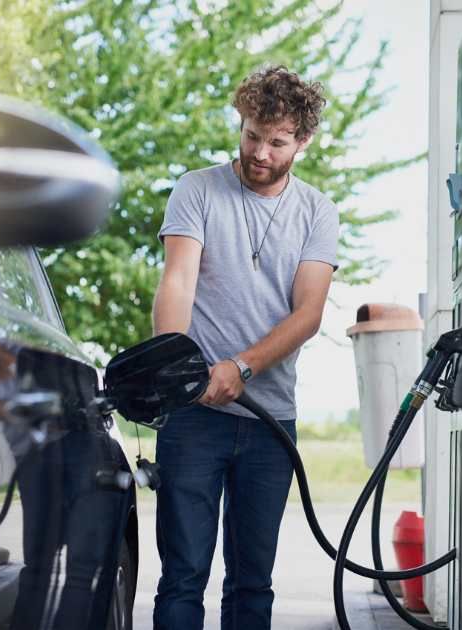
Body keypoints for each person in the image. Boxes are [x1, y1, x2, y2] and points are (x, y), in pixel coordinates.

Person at [150, 64, 339, 630]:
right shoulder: (197, 188)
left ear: (302, 141)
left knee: (252, 583)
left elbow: (307, 313)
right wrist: (178, 369)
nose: (260, 152)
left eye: (277, 142)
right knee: (182, 576)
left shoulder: (317, 212)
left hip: (269, 420)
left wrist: (242, 368)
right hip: (192, 415)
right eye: (252, 135)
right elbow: (178, 280)